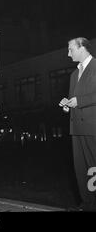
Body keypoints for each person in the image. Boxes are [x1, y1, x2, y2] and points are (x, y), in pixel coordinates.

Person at [59, 37, 96, 211]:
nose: (68, 54)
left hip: (92, 127)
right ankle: (87, 204)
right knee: (81, 170)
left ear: (82, 48)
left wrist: (78, 101)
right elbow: (73, 101)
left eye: (70, 49)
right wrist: (67, 105)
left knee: (94, 168)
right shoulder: (74, 74)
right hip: (76, 129)